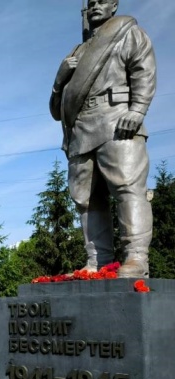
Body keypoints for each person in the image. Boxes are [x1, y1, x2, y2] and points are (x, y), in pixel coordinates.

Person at [49, 0, 156, 277]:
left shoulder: (127, 32)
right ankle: (98, 261)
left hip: (116, 121)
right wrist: (58, 81)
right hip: (81, 130)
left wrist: (137, 109)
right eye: (91, 2)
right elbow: (56, 111)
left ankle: (136, 258)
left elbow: (143, 69)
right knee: (86, 200)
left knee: (127, 187)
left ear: (114, 6)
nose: (96, 5)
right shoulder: (77, 52)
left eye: (102, 0)